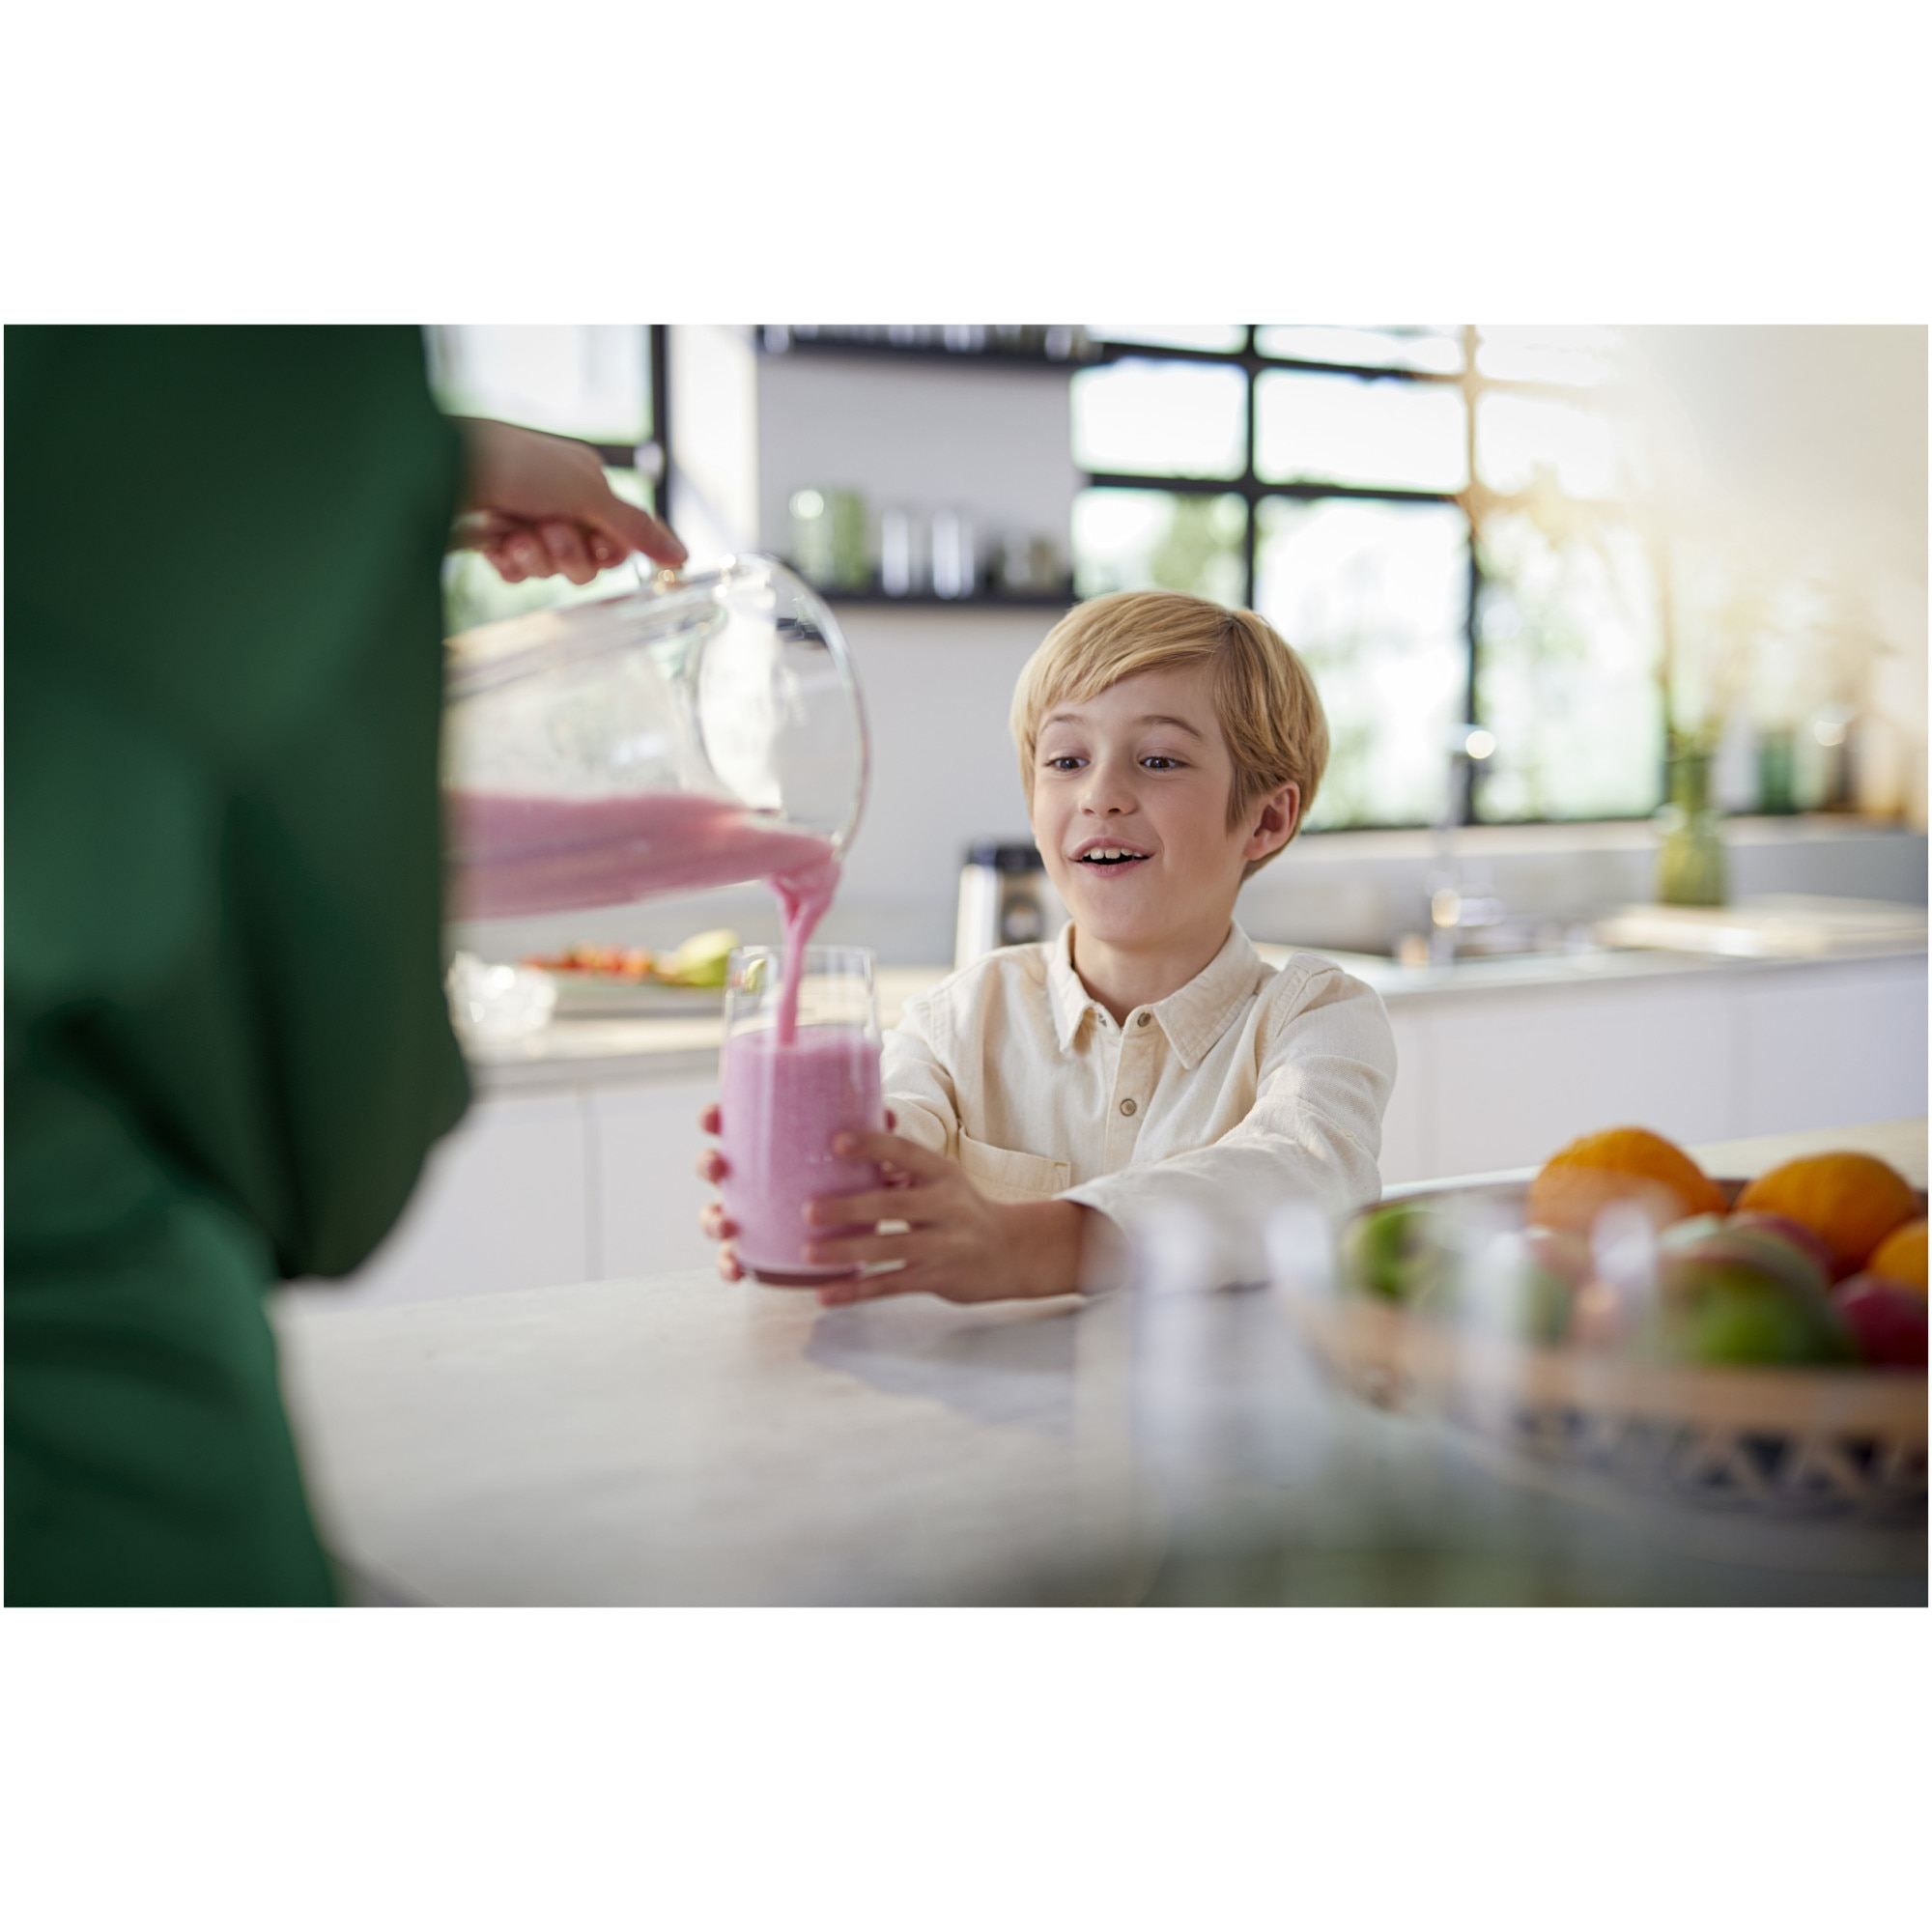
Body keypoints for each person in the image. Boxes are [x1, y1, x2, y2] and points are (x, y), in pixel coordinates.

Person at [5, 326, 684, 1606]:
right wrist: (382, 484)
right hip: (85, 1453)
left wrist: (425, 467)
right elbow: (334, 1159)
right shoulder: (297, 367)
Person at [696, 589, 1396, 1301]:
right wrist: (828, 1183)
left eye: (1158, 761)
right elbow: (896, 1125)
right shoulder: (958, 1020)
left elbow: (1302, 1173)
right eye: (1066, 760)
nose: (1101, 794)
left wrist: (1034, 1245)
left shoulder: (1316, 1017)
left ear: (1266, 820)